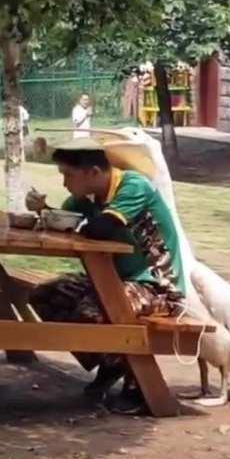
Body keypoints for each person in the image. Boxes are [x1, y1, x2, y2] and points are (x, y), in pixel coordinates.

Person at [25, 138, 185, 414]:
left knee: (96, 309)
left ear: (94, 173)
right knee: (45, 295)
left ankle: (132, 380)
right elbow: (63, 224)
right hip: (112, 280)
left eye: (69, 175)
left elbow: (102, 228)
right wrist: (43, 210)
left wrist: (70, 219)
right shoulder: (86, 198)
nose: (65, 183)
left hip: (157, 286)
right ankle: (112, 362)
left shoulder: (134, 186)